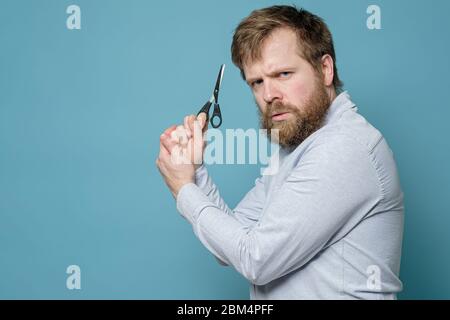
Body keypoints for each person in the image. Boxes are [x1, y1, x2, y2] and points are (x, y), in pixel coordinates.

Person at [156, 5, 404, 299]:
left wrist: (184, 189)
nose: (269, 95)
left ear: (325, 69)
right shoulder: (298, 149)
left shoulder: (344, 147)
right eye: (257, 82)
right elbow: (231, 246)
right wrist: (195, 171)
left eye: (283, 74)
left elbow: (255, 260)